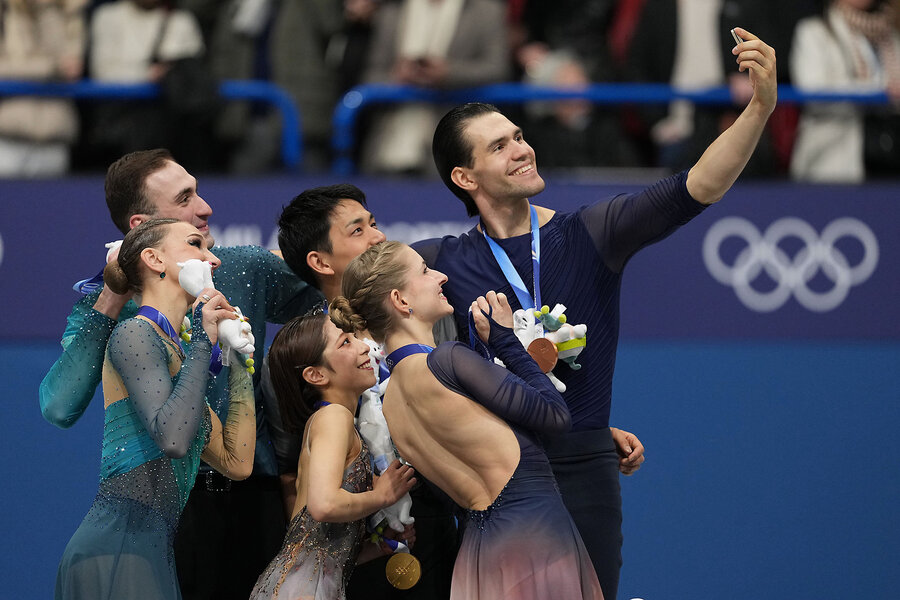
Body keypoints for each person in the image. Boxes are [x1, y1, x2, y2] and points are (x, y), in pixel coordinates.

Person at [415, 27, 776, 599]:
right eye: (500, 146)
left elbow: (699, 185)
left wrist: (759, 109)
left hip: (584, 473)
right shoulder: (437, 263)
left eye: (519, 136)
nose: (522, 148)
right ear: (465, 178)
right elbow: (357, 291)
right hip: (496, 476)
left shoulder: (591, 233)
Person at [38, 149, 324, 600]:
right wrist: (113, 296)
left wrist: (240, 360)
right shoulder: (118, 313)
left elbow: (336, 297)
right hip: (172, 514)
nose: (205, 207)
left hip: (252, 498)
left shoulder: (238, 265)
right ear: (142, 231)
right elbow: (58, 406)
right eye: (185, 197)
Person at [330, 241, 604, 599]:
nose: (441, 276)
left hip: (478, 559)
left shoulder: (390, 402)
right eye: (426, 271)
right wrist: (507, 341)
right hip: (537, 539)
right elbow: (554, 416)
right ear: (400, 300)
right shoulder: (448, 360)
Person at [272, 184, 458, 600]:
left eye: (374, 223)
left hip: (441, 530)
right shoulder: (300, 353)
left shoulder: (434, 319)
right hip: (360, 553)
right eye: (357, 230)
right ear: (319, 261)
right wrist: (341, 559)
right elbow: (292, 477)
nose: (377, 236)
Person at [54, 218, 256, 599]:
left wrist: (236, 354)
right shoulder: (135, 333)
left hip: (150, 551)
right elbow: (174, 439)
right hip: (115, 549)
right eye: (196, 244)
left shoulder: (176, 352)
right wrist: (204, 338)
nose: (213, 260)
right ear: (154, 259)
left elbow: (237, 461)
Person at [250, 310, 417, 599]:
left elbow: (312, 541)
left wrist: (377, 547)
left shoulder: (329, 421)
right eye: (345, 342)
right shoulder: (334, 417)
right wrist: (382, 496)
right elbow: (324, 505)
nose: (364, 345)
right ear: (316, 374)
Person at [789, 0, 900, 182]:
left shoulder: (890, 35)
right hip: (833, 157)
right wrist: (878, 90)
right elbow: (812, 91)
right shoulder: (813, 31)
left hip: (888, 155)